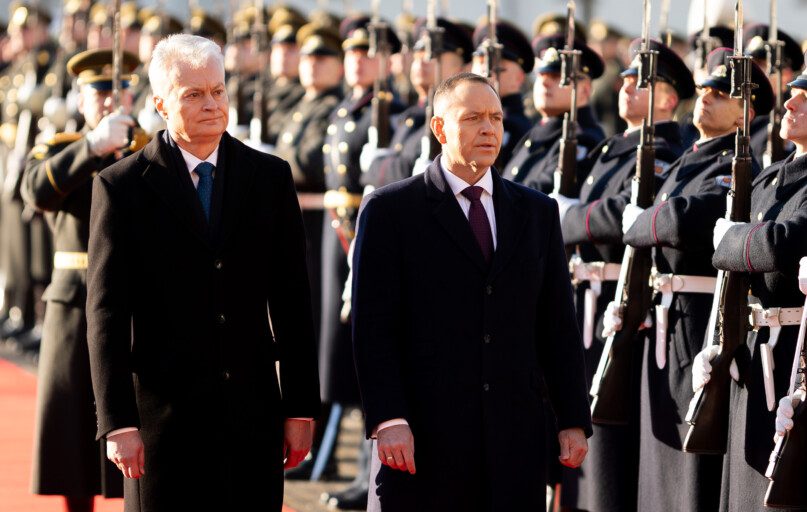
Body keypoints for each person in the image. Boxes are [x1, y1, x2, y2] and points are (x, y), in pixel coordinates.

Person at [85, 34, 320, 511]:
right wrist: (119, 422)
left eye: (217, 91)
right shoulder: (121, 187)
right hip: (161, 423)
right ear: (161, 104)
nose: (210, 104)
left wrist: (299, 406)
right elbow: (106, 312)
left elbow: (293, 299)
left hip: (252, 417)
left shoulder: (270, 178)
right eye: (193, 94)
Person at [351, 72, 592, 512]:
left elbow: (556, 322)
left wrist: (573, 418)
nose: (489, 129)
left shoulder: (536, 212)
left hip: (511, 441)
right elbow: (373, 328)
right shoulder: (391, 210)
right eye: (473, 117)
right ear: (440, 128)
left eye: (496, 118)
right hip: (421, 440)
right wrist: (389, 419)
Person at [622, 47, 773, 512]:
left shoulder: (736, 165)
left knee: (690, 470)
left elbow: (683, 221)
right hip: (666, 319)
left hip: (697, 321)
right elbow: (665, 217)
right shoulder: (693, 158)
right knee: (658, 464)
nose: (705, 98)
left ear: (745, 110)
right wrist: (653, 218)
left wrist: (639, 222)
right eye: (704, 88)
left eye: (720, 92)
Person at [556, 38, 694, 512]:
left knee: (608, 436)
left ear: (670, 98)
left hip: (616, 298)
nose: (625, 85)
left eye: (642, 81)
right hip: (587, 295)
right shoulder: (616, 146)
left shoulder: (663, 149)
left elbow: (625, 214)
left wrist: (570, 217)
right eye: (627, 77)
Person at [22, 48, 143, 512]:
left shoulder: (147, 144)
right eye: (100, 92)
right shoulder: (60, 146)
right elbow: (33, 193)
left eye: (120, 90)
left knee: (133, 421)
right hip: (74, 298)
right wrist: (90, 147)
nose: (111, 101)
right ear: (81, 96)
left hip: (134, 300)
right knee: (72, 427)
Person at [702, 50, 807, 511]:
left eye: (805, 100)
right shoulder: (770, 176)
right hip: (753, 347)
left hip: (791, 356)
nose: (789, 104)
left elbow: (784, 242)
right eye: (793, 95)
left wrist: (731, 240)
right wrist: (718, 341)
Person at [503, 33, 605, 191]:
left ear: (585, 90)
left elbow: (540, 193)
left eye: (557, 77)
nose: (545, 82)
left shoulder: (583, 139)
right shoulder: (538, 132)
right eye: (541, 75)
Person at [470, 20, 533, 169]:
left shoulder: (519, 129)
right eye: (481, 61)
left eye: (499, 65)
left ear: (519, 77)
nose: (487, 71)